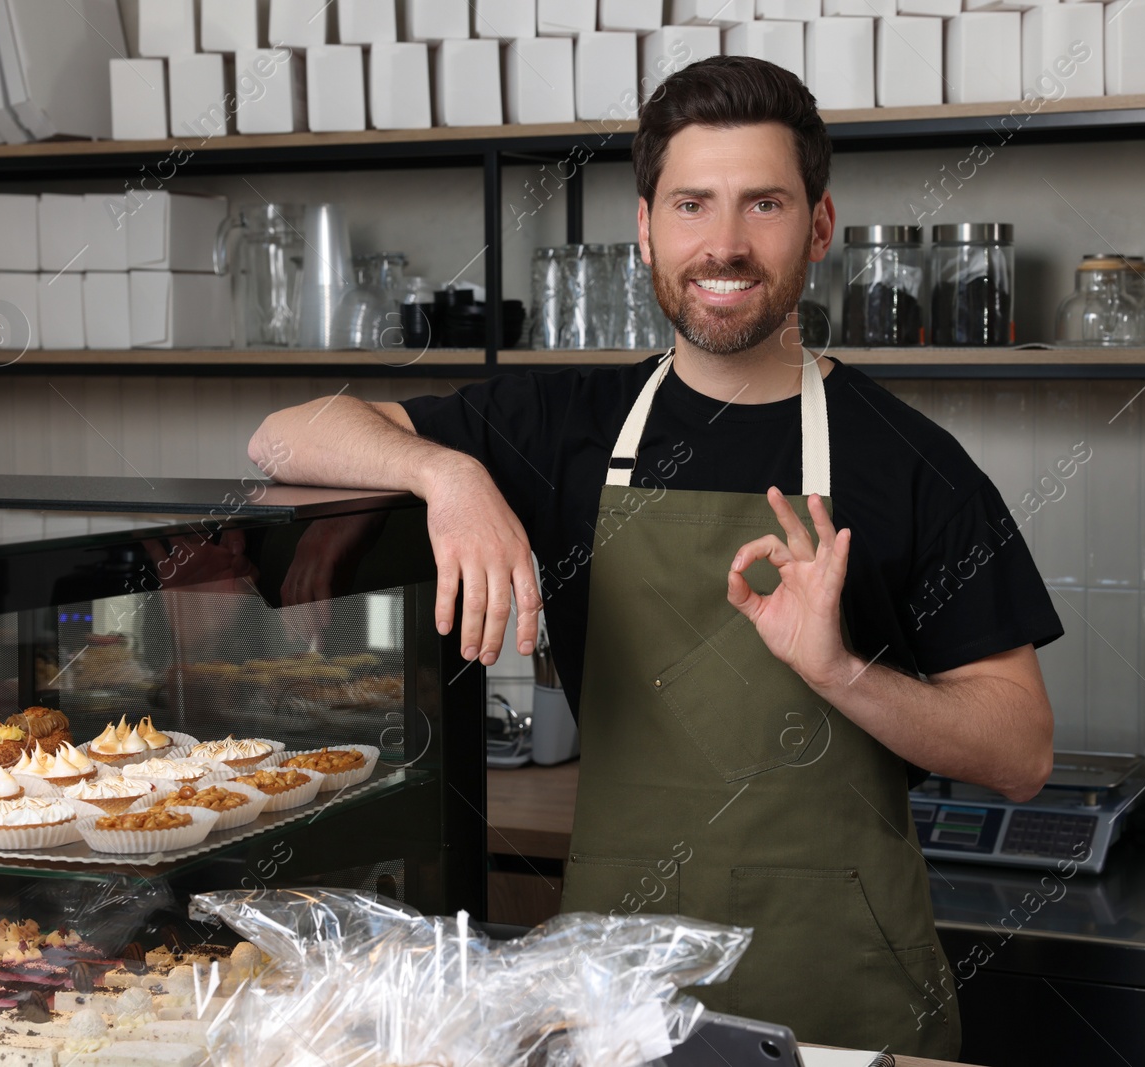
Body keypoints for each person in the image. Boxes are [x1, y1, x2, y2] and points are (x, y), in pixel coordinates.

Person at [249, 54, 1063, 1057]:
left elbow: (1020, 751)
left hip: (847, 1001)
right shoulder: (561, 425)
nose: (723, 244)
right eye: (691, 204)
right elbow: (286, 434)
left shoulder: (909, 463)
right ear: (644, 226)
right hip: (623, 996)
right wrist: (448, 479)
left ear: (817, 225)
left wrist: (840, 672)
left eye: (762, 204)